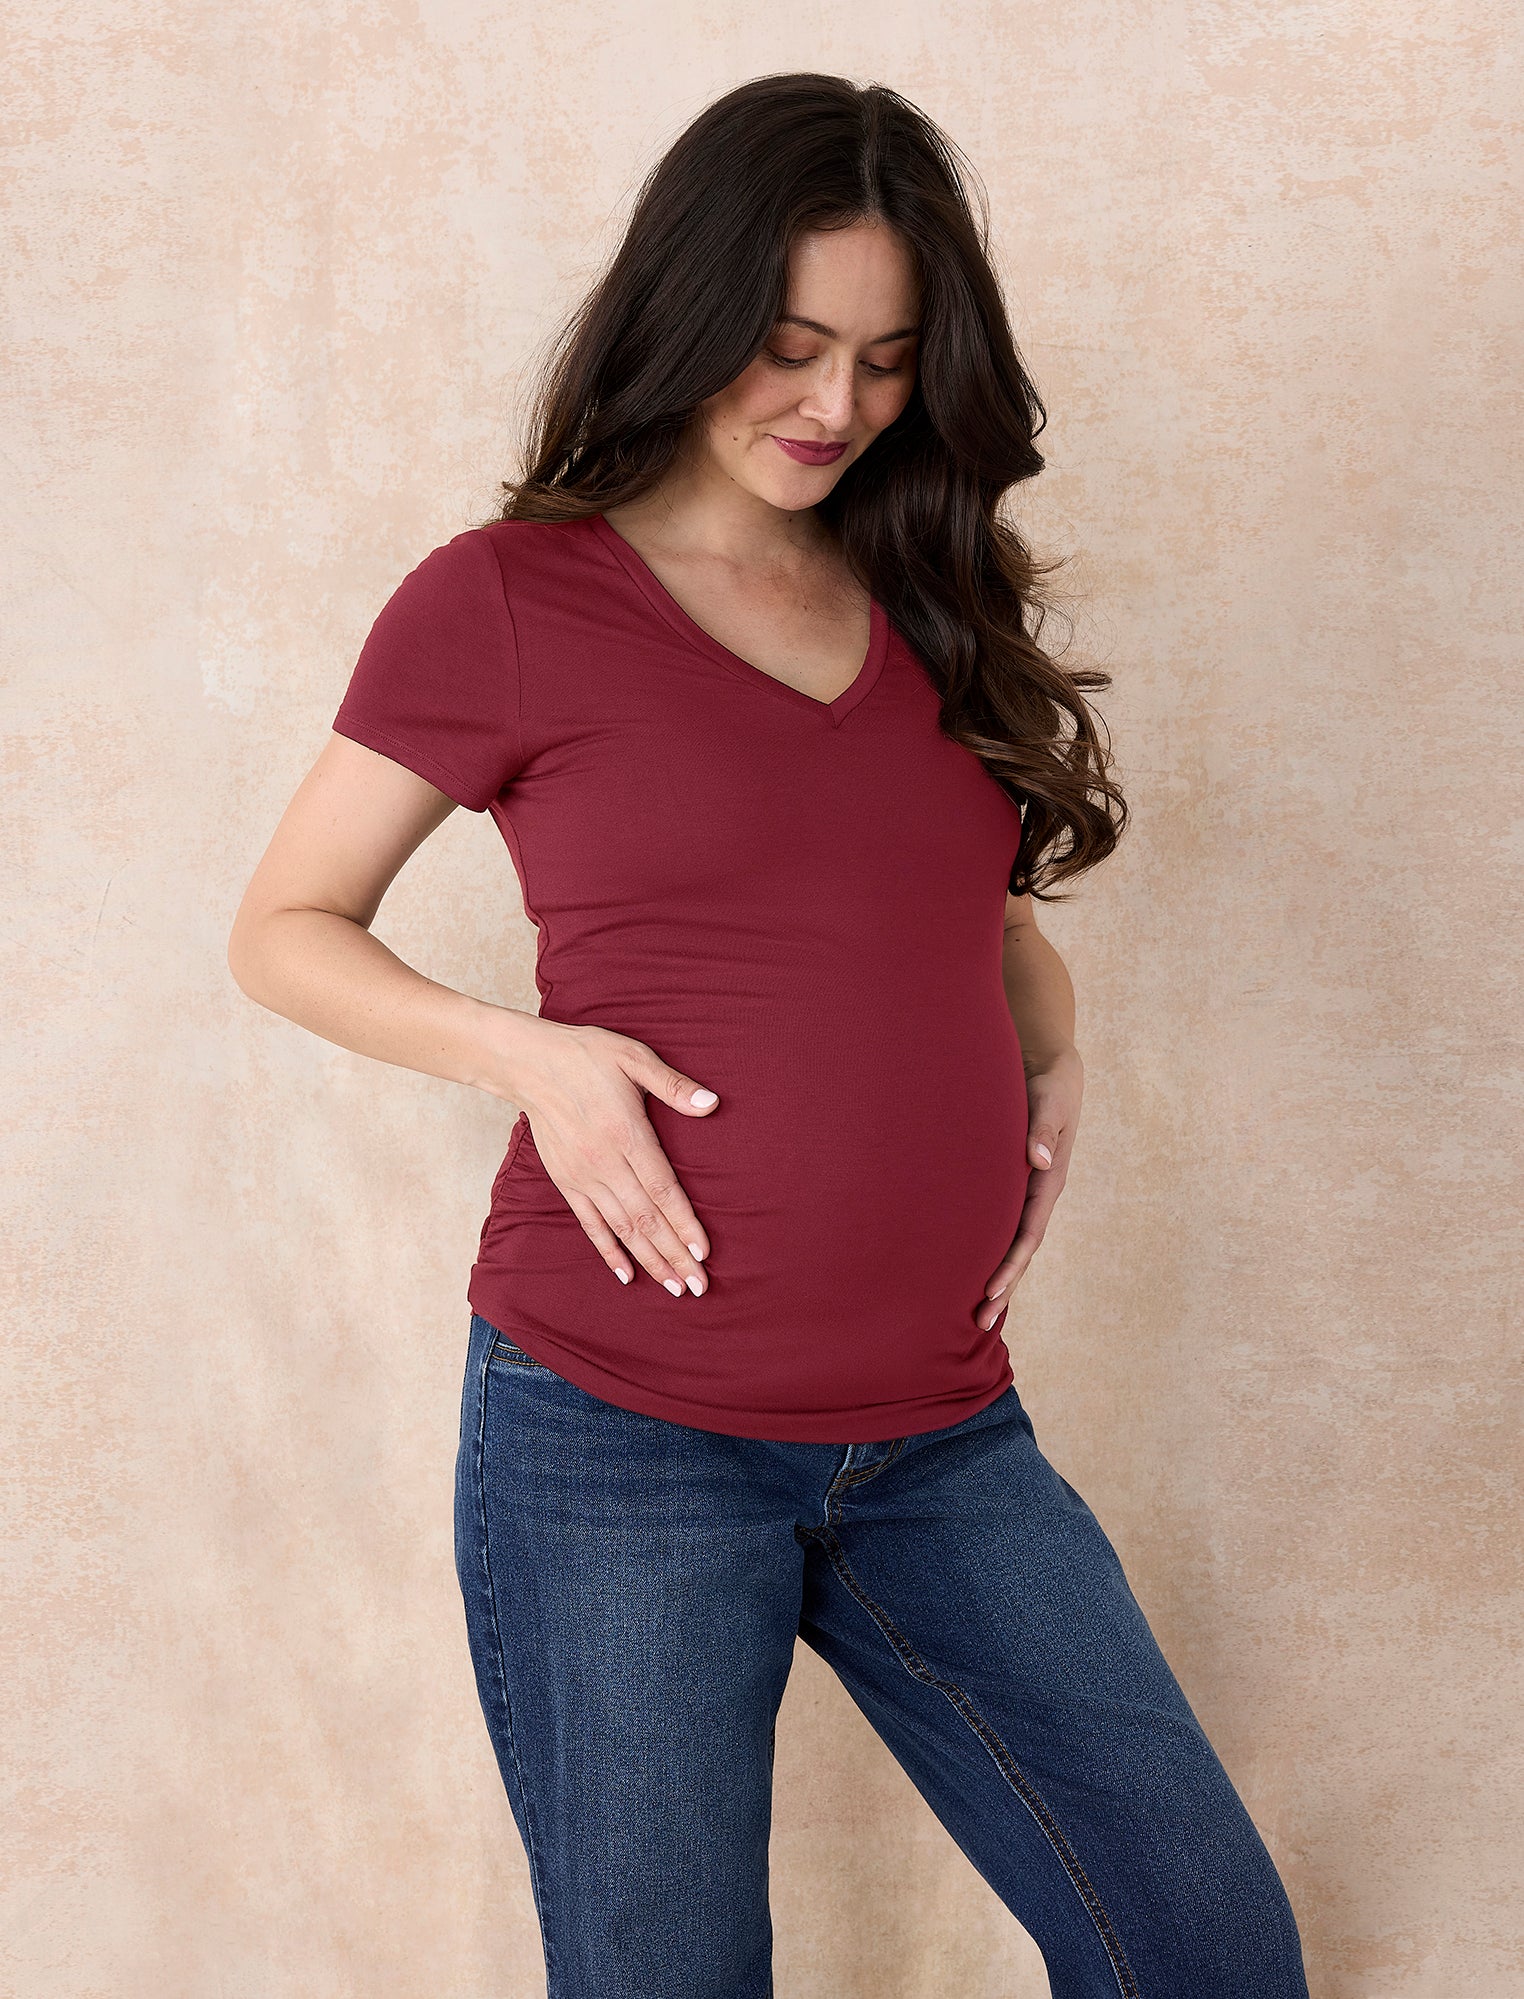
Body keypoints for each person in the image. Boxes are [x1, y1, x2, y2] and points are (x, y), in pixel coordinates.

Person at [228, 71, 1310, 1999]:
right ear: (691, 309)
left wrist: (1052, 1049)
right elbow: (285, 931)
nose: (835, 407)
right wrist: (534, 1056)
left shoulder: (926, 594)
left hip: (941, 1431)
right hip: (617, 1432)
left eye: (889, 361)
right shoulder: (505, 601)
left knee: (1205, 1950)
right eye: (791, 345)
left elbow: (962, 905)